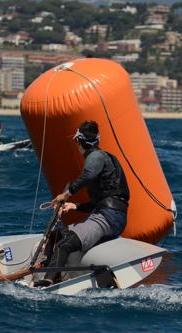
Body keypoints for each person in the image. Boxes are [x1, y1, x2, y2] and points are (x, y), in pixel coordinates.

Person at [34, 120, 130, 287]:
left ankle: (47, 282)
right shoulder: (107, 159)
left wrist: (66, 194)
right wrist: (76, 206)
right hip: (112, 215)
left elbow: (88, 176)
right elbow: (103, 201)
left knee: (65, 244)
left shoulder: (95, 157)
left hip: (107, 218)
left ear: (79, 142)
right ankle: (50, 273)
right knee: (57, 235)